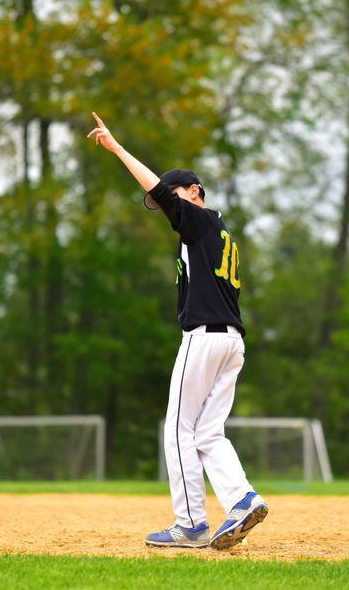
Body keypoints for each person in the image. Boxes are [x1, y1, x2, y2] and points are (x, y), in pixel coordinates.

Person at [87, 112, 267, 550]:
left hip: (204, 339)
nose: (166, 204)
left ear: (195, 192)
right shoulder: (219, 233)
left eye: (176, 196)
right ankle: (242, 499)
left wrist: (116, 148)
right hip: (232, 342)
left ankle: (190, 524)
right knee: (208, 432)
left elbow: (158, 190)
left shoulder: (200, 222)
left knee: (177, 430)